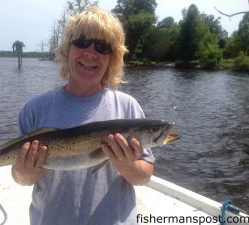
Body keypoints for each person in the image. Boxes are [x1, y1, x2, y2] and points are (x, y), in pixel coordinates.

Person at [11, 6, 155, 225]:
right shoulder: (34, 110)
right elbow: (21, 179)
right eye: (81, 41)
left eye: (102, 46)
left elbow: (144, 176)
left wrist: (127, 166)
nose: (90, 52)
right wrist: (24, 173)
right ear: (67, 48)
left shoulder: (128, 108)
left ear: (112, 58)